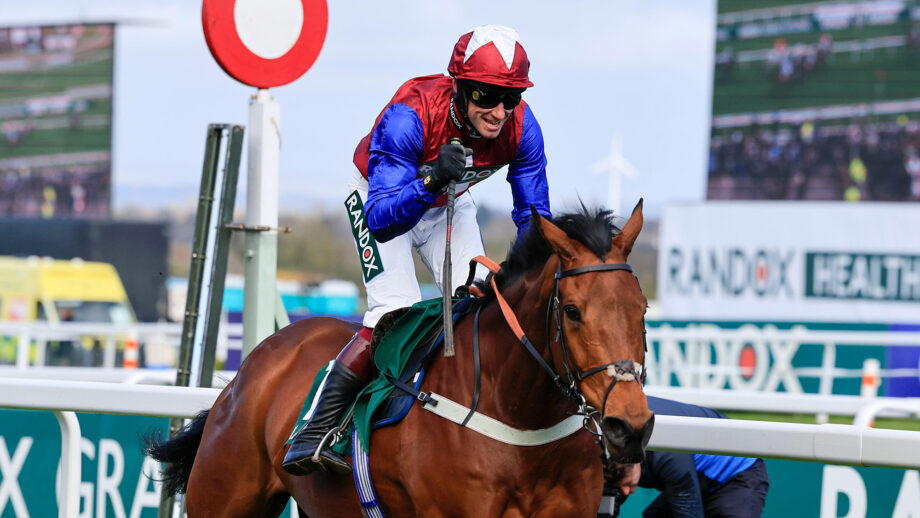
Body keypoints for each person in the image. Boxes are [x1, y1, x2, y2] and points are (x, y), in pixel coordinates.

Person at [283, 25, 552, 476]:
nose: (500, 110)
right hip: (380, 197)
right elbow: (383, 219)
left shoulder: (524, 128)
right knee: (396, 310)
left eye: (511, 97)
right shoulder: (409, 116)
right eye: (487, 95)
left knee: (486, 296)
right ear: (460, 87)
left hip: (449, 203)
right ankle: (314, 430)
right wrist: (429, 180)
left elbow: (533, 218)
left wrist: (526, 278)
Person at [604, 396, 770, 517]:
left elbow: (689, 513)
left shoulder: (668, 455)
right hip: (694, 476)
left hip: (737, 475)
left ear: (634, 459)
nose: (625, 491)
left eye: (627, 483)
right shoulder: (601, 439)